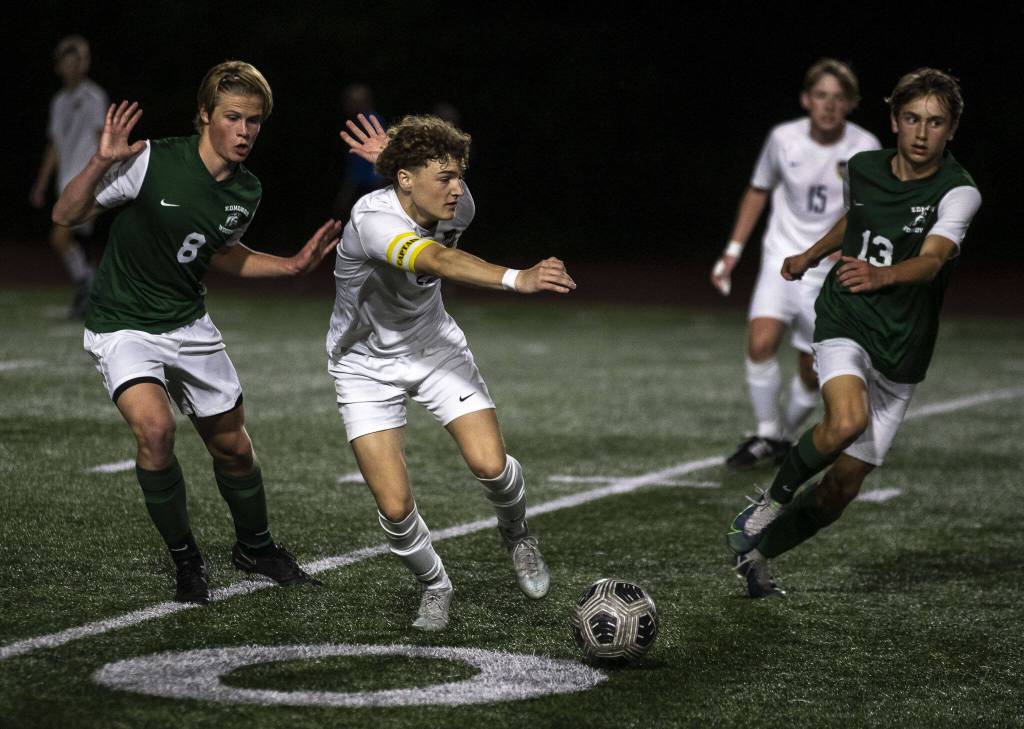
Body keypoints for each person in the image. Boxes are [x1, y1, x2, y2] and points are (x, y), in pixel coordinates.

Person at [52, 60, 342, 604]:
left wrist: (290, 265)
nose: (244, 132)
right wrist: (101, 161)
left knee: (234, 449)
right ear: (205, 115)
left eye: (254, 121)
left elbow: (220, 253)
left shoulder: (247, 190)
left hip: (188, 321)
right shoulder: (152, 162)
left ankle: (255, 547)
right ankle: (187, 561)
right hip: (124, 324)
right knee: (156, 432)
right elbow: (66, 215)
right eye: (233, 118)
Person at [725, 68, 981, 597]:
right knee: (845, 420)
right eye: (911, 118)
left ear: (951, 129)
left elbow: (933, 260)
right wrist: (810, 255)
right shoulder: (863, 166)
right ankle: (770, 500)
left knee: (841, 489)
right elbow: (855, 218)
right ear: (893, 120)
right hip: (847, 315)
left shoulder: (959, 192)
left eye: (935, 122)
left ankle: (757, 557)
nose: (921, 132)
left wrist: (885, 273)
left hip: (904, 345)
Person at [328, 114, 575, 631]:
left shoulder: (458, 202)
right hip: (364, 366)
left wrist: (411, 167)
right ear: (403, 180)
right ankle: (436, 584)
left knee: (490, 464)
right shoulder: (371, 220)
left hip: (435, 345)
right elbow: (436, 258)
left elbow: (439, 230)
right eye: (444, 176)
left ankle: (517, 533)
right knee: (395, 509)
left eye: (459, 174)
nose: (457, 188)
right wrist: (516, 277)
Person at [711, 59, 880, 470]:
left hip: (826, 270)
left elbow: (870, 208)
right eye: (821, 96)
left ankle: (780, 436)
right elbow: (757, 191)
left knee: (809, 372)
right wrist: (732, 251)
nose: (828, 106)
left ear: (852, 104)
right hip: (780, 259)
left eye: (839, 98)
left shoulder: (865, 146)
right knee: (760, 342)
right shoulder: (782, 139)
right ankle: (768, 432)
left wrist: (854, 249)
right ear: (806, 99)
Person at [30, 35, 109, 318]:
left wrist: (107, 176)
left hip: (87, 179)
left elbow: (104, 139)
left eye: (78, 59)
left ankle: (89, 287)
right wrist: (41, 184)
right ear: (59, 66)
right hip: (65, 181)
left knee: (60, 236)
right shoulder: (59, 101)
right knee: (78, 242)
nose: (73, 65)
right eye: (67, 60)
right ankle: (93, 294)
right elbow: (54, 146)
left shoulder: (95, 96)